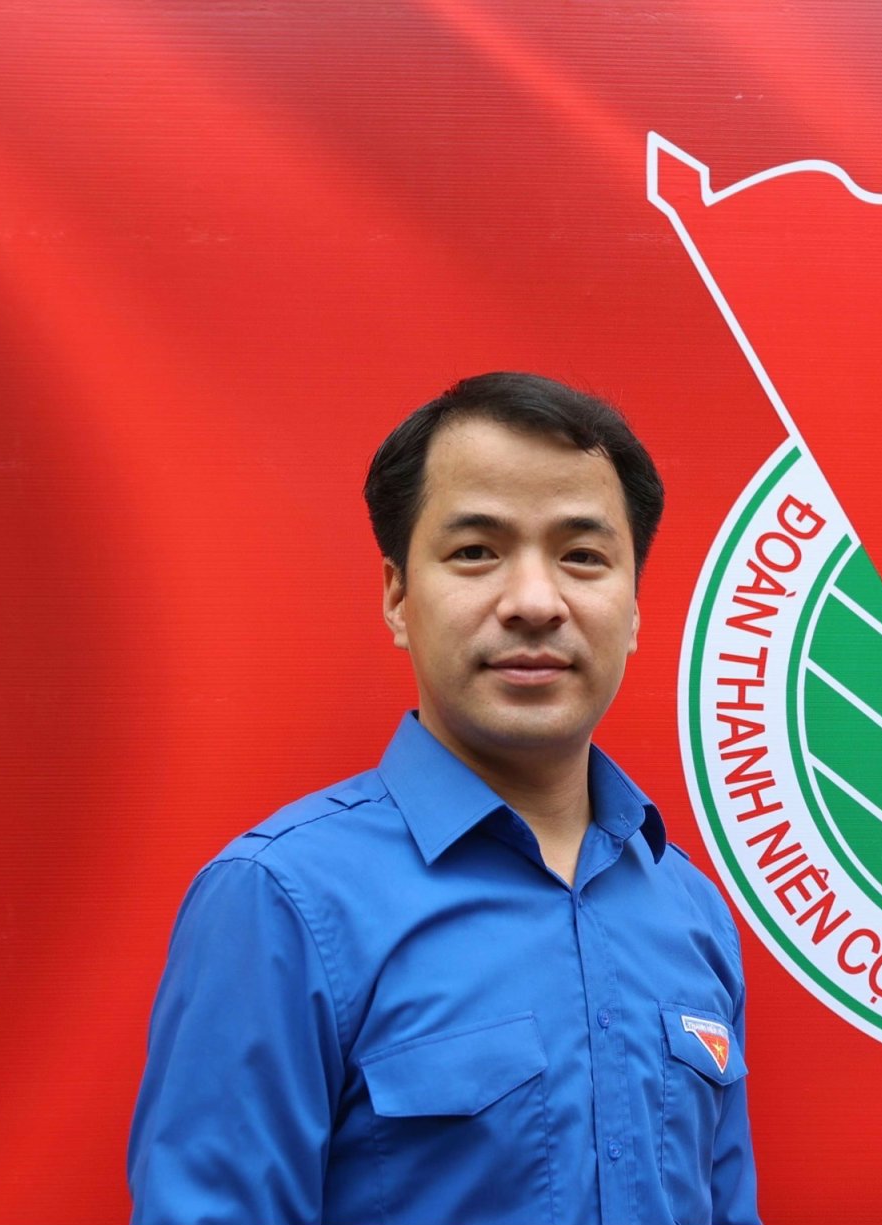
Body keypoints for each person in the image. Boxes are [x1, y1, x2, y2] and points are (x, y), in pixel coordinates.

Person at [128, 373, 759, 1225]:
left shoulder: (690, 912)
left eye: (582, 555)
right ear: (397, 596)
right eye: (476, 552)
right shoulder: (281, 902)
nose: (534, 602)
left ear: (636, 607)